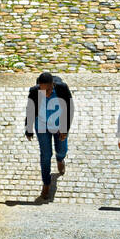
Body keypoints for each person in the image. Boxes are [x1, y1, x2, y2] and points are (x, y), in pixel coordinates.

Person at [25, 71, 74, 200]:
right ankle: (46, 183)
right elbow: (30, 110)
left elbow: (69, 109)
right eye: (42, 89)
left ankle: (60, 159)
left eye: (47, 89)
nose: (45, 93)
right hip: (42, 126)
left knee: (62, 149)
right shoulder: (34, 91)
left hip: (59, 125)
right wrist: (28, 129)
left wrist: (65, 129)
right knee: (45, 155)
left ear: (52, 85)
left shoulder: (62, 89)